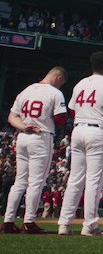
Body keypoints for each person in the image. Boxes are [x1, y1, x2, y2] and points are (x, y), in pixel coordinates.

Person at [58, 51, 103, 236]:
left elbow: (72, 110)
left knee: (75, 180)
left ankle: (64, 223)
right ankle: (90, 226)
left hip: (78, 130)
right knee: (94, 180)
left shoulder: (81, 84)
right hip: (98, 131)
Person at [3, 66, 67, 234]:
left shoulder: (26, 91)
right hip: (41, 136)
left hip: (23, 136)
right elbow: (61, 119)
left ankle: (8, 221)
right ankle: (29, 222)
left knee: (19, 182)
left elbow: (12, 117)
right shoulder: (55, 93)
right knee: (36, 182)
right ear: (59, 78)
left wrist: (24, 126)